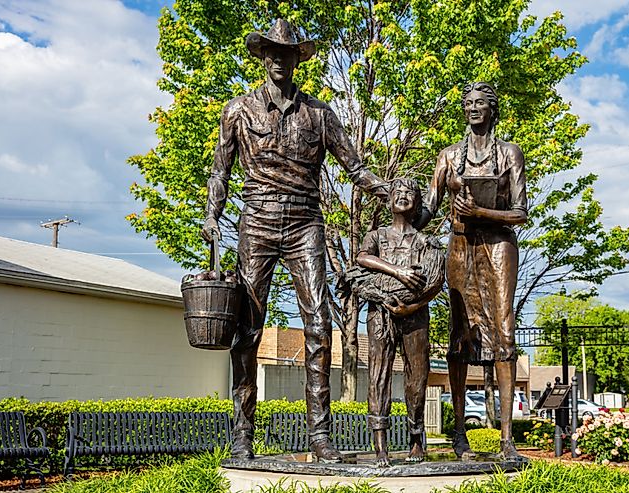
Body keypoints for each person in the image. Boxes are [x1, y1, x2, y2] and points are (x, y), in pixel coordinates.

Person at [201, 18, 388, 462]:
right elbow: (219, 171)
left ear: (295, 59)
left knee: (319, 325)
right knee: (247, 329)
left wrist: (390, 190)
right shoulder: (238, 111)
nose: (279, 60)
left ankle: (319, 437)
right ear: (263, 58)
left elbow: (355, 168)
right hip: (258, 221)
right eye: (272, 53)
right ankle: (242, 436)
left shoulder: (320, 115)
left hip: (306, 223)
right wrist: (212, 215)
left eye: (287, 53)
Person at [416, 82, 528, 460]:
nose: (473, 108)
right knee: (459, 333)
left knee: (505, 330)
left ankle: (507, 438)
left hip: (498, 244)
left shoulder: (509, 153)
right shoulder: (448, 156)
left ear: (492, 109)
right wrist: (400, 209)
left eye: (480, 103)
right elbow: (429, 207)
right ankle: (459, 433)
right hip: (460, 244)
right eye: (468, 104)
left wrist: (481, 212)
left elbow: (520, 212)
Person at [353, 179, 444, 467]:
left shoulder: (425, 241)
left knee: (417, 375)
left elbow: (434, 282)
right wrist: (399, 272)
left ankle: (416, 438)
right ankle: (380, 445)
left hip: (415, 315)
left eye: (410, 194)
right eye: (398, 193)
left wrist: (412, 306)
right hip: (380, 312)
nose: (403, 197)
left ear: (418, 204)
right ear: (389, 200)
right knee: (378, 374)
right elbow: (362, 258)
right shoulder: (377, 236)